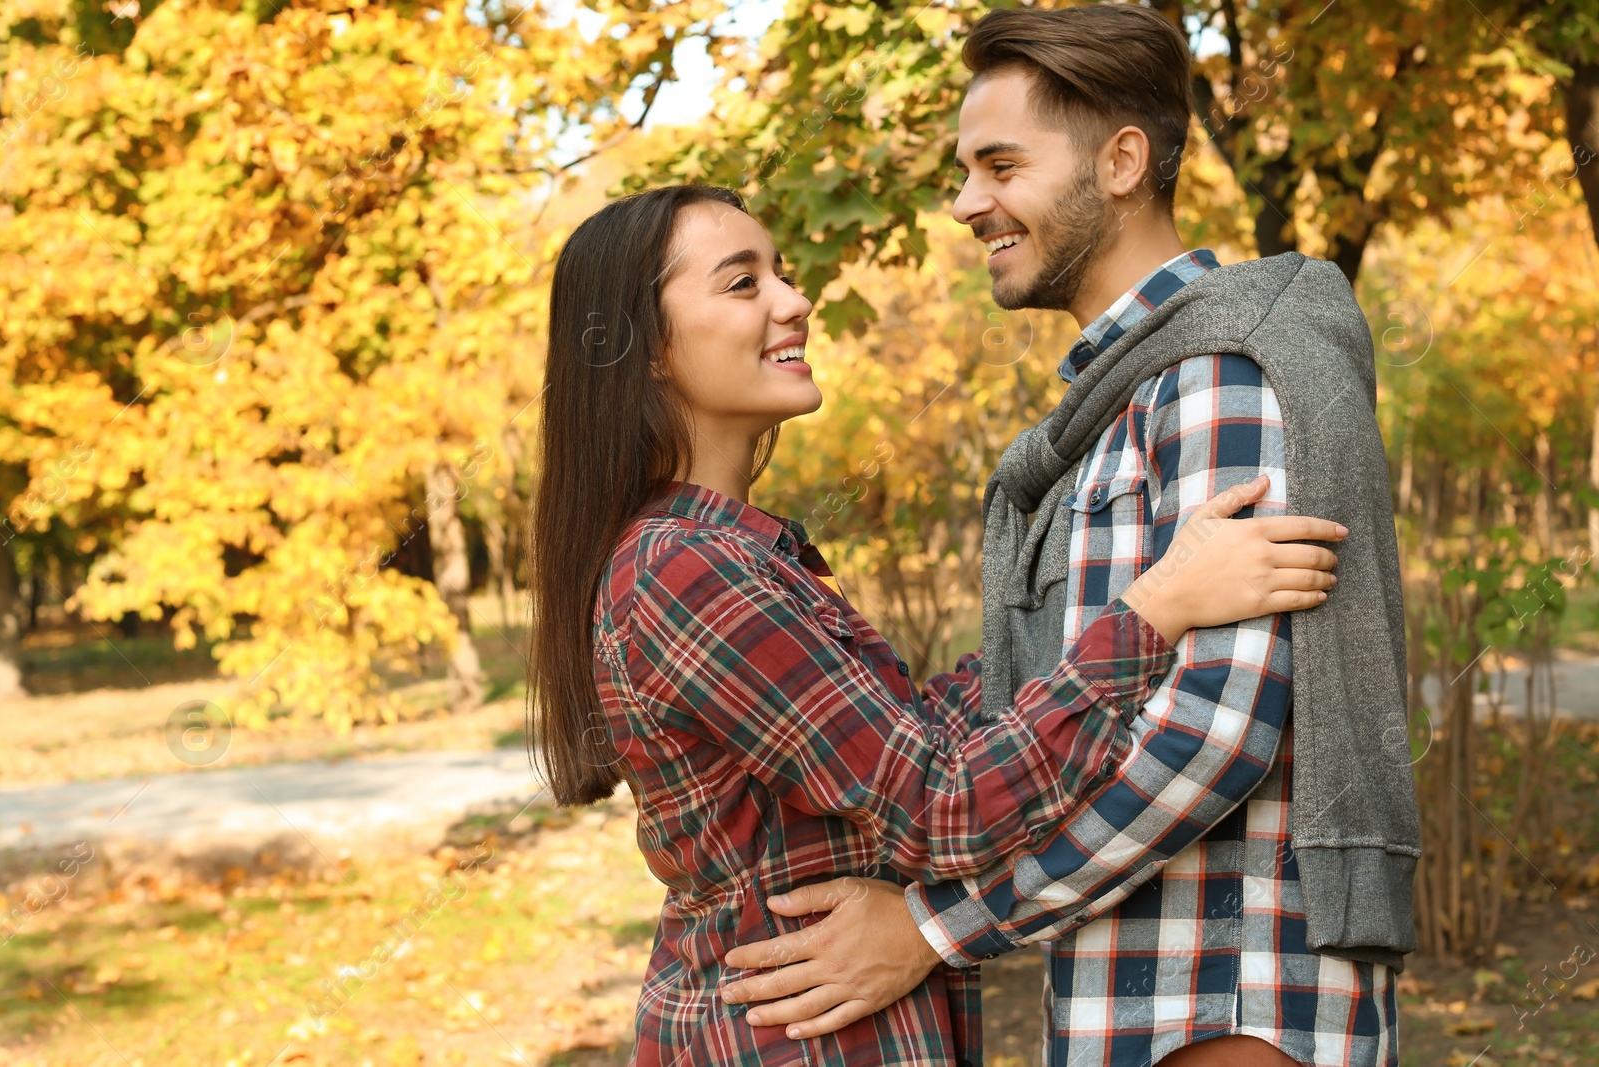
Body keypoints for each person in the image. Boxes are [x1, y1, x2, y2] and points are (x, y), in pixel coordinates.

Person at [717, 7, 1419, 1067]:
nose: (965, 203)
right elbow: (1064, 706)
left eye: (1000, 164)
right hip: (1142, 988)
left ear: (1123, 161)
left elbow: (1214, 732)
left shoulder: (1218, 375)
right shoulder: (1117, 403)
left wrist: (932, 927)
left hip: (1222, 991)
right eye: (963, 170)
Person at [525, 183, 1350, 1066]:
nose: (794, 301)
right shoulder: (684, 569)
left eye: (784, 273)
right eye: (741, 284)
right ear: (645, 349)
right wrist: (1153, 611)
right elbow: (942, 803)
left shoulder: (739, 555)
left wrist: (1118, 581)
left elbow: (923, 734)